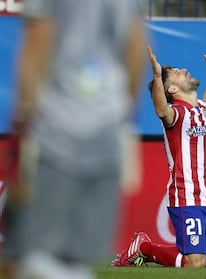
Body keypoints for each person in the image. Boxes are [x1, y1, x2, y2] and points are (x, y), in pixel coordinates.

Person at [0, 0, 147, 278]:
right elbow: (137, 49)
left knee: (23, 260)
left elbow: (37, 43)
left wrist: (23, 124)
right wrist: (119, 117)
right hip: (106, 134)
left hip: (54, 133)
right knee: (74, 259)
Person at [111, 46, 206, 268]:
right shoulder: (176, 114)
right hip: (186, 196)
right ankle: (144, 247)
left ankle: (148, 249)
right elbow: (162, 110)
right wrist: (156, 77)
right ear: (172, 88)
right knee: (195, 262)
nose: (184, 70)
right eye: (176, 72)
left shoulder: (200, 109)